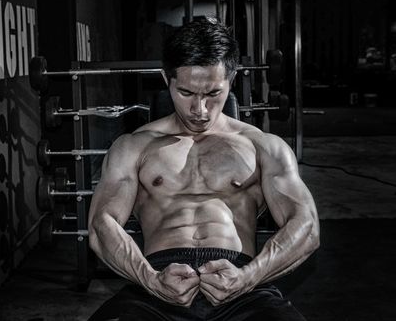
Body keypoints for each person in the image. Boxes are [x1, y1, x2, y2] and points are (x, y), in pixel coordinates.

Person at [87, 18, 320, 321]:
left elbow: (307, 226)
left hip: (241, 283)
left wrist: (250, 276)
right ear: (165, 78)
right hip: (156, 283)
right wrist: (149, 279)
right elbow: (100, 225)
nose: (200, 110)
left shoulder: (263, 146)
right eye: (186, 93)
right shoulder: (133, 146)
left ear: (231, 78)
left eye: (212, 94)